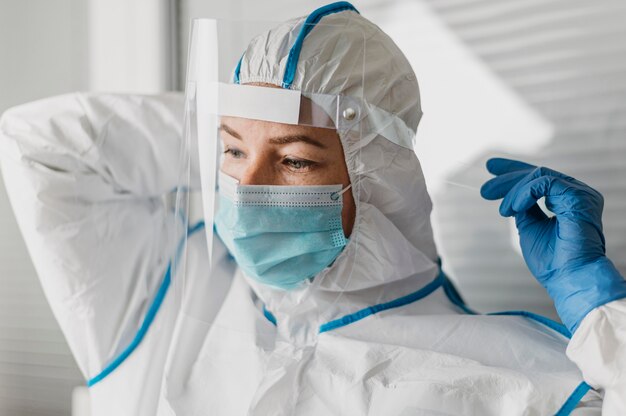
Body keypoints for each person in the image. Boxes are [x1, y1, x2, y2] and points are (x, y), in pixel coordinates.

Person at [1, 2, 625, 415]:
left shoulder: (519, 379)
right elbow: (38, 146)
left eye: (295, 161)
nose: (246, 188)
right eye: (231, 153)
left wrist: (603, 317)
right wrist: (237, 118)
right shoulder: (174, 296)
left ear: (379, 180)